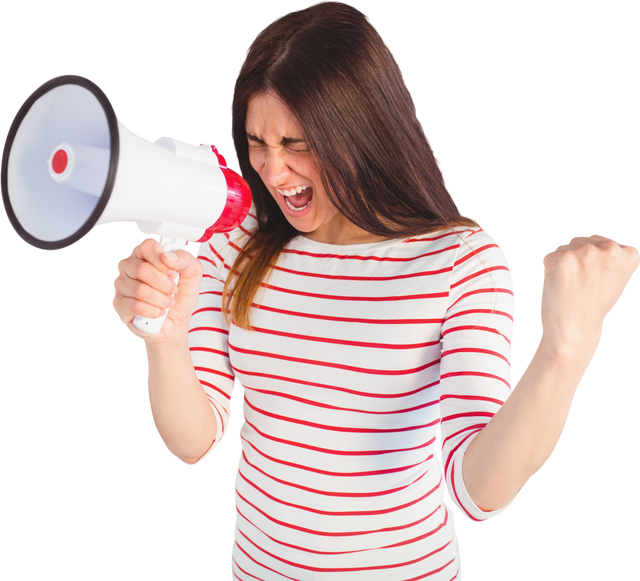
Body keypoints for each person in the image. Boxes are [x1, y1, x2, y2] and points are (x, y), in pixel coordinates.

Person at [110, 2, 639, 579]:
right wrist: (161, 339)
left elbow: (476, 492)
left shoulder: (463, 262)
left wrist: (565, 352)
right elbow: (194, 442)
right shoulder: (233, 243)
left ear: (362, 132)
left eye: (298, 143)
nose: (272, 170)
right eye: (258, 142)